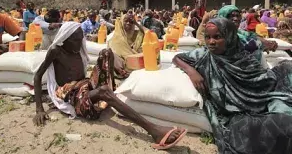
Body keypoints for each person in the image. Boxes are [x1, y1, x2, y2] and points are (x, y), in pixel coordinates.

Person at [33, 22, 186, 150]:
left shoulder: (78, 48)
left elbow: (88, 71)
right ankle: (154, 131)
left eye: (81, 39)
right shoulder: (56, 51)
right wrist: (39, 109)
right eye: (75, 40)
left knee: (107, 52)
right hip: (70, 93)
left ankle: (107, 91)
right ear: (65, 39)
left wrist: (115, 69)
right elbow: (38, 75)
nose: (79, 43)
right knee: (104, 92)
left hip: (84, 85)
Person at [173, 18, 292, 154]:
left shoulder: (244, 57)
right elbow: (177, 58)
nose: (211, 42)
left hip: (262, 100)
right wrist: (191, 71)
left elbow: (264, 81)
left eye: (217, 37)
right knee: (273, 127)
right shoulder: (204, 55)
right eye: (208, 37)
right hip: (235, 113)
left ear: (229, 37)